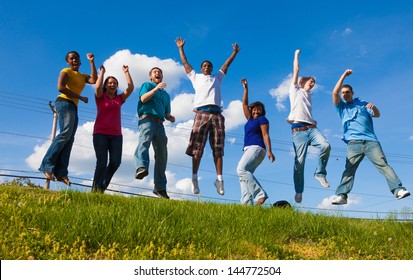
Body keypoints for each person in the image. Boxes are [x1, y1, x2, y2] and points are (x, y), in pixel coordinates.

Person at [331, 69, 410, 205]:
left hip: (371, 141)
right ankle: (342, 195)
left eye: (347, 92)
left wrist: (374, 108)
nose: (344, 94)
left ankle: (398, 190)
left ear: (352, 93)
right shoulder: (342, 107)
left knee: (383, 165)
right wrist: (344, 75)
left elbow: (377, 115)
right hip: (353, 143)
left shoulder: (362, 103)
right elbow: (334, 93)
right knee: (349, 169)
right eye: (343, 93)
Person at [175, 37, 240, 196]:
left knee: (218, 148)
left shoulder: (217, 77)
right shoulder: (195, 77)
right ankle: (194, 178)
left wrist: (234, 53)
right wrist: (180, 48)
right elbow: (185, 64)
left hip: (217, 114)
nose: (207, 67)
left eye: (209, 65)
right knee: (197, 148)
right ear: (201, 68)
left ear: (211, 68)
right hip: (201, 113)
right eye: (204, 65)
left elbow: (226, 65)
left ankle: (219, 180)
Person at [39, 51, 97, 186]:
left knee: (70, 139)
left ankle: (61, 172)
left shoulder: (82, 76)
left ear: (80, 61)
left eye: (76, 58)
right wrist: (81, 97)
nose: (74, 60)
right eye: (71, 59)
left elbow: (94, 80)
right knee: (65, 134)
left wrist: (92, 62)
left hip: (73, 106)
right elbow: (60, 87)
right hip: (64, 102)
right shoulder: (66, 71)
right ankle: (47, 166)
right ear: (68, 62)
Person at [287, 49, 331, 203]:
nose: (313, 84)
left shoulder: (309, 95)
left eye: (314, 83)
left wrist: (312, 120)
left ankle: (320, 173)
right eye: (310, 81)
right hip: (298, 131)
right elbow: (296, 70)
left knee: (325, 145)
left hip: (311, 128)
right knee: (300, 162)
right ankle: (299, 191)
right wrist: (296, 55)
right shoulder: (295, 90)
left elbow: (305, 111)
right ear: (302, 82)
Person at [134, 67, 175, 199]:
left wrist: (170, 117)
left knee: (162, 154)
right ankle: (141, 167)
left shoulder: (166, 95)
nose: (157, 73)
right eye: (155, 72)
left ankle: (160, 188)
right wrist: (156, 88)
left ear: (162, 77)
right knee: (144, 142)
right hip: (147, 120)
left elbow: (166, 113)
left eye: (160, 72)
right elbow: (143, 99)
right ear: (150, 76)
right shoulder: (147, 85)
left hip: (160, 123)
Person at [92, 65, 134, 193]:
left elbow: (130, 88)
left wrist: (127, 72)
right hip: (100, 134)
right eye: (110, 83)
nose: (112, 85)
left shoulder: (119, 99)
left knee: (115, 162)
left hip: (116, 135)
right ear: (106, 85)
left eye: (115, 83)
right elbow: (97, 87)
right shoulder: (100, 97)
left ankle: (102, 186)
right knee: (101, 163)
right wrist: (102, 73)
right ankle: (96, 190)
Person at [237, 79, 275, 206]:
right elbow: (244, 104)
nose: (256, 111)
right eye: (254, 109)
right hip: (249, 149)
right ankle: (246, 204)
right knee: (245, 176)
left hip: (257, 148)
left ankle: (260, 194)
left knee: (241, 170)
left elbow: (265, 135)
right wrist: (246, 89)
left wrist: (270, 151)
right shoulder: (249, 119)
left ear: (262, 111)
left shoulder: (262, 119)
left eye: (259, 109)